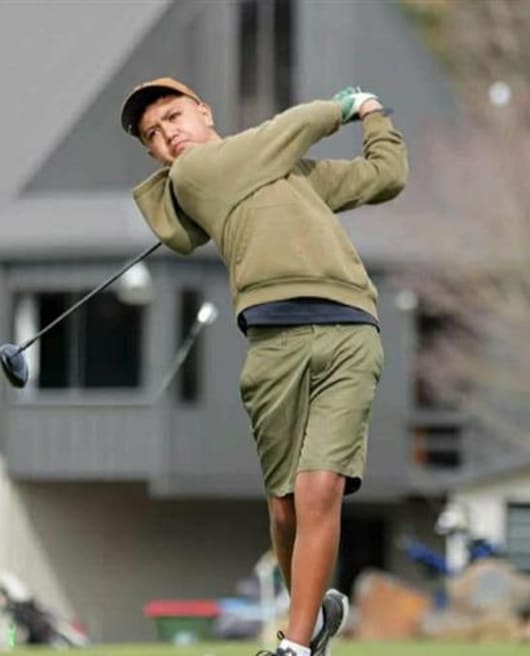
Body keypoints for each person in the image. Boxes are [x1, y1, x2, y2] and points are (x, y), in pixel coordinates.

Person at [120, 77, 408, 656]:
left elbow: (385, 175)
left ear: (204, 111)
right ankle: (313, 615)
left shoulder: (285, 171)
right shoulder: (195, 174)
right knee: (284, 510)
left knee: (318, 488)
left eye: (174, 117)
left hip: (349, 328)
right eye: (153, 134)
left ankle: (296, 646)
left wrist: (377, 115)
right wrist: (343, 106)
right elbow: (287, 129)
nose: (167, 135)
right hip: (273, 344)